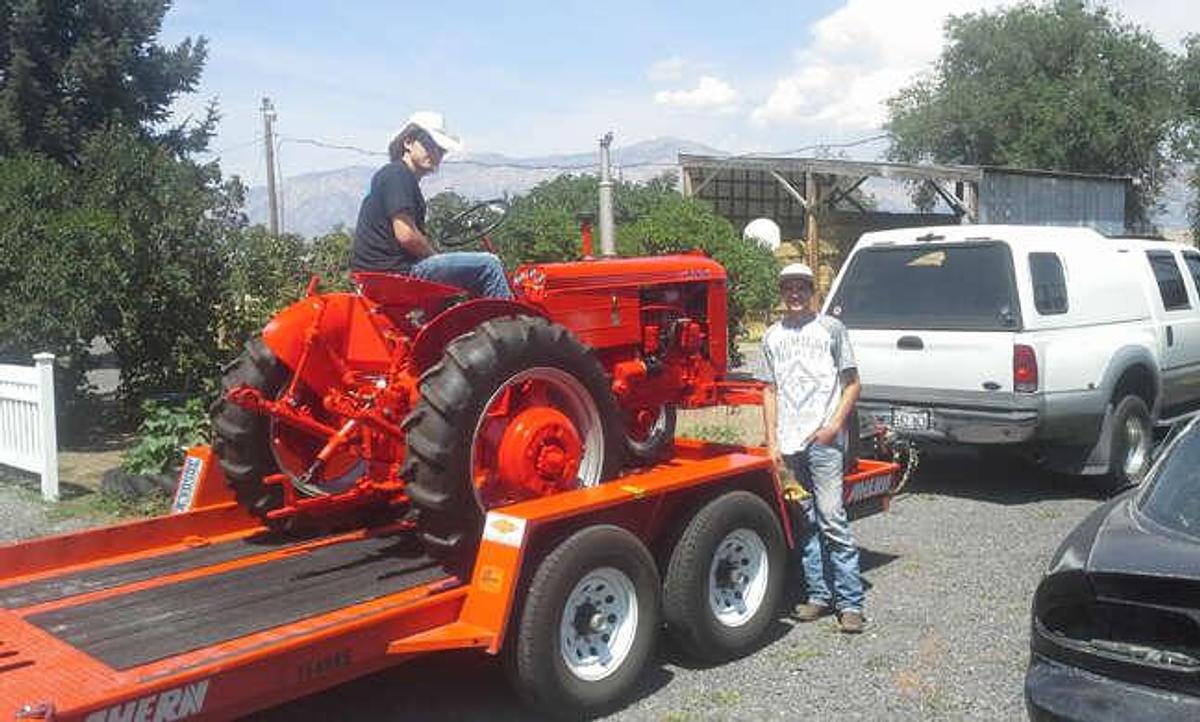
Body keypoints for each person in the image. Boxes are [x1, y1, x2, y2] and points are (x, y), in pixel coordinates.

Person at [759, 261, 866, 633]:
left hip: (824, 441)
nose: (795, 294)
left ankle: (851, 603)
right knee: (805, 522)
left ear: (812, 292)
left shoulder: (831, 330)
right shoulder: (771, 336)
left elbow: (852, 383)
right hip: (789, 444)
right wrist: (772, 441)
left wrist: (833, 426)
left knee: (832, 518)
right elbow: (769, 390)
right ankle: (819, 596)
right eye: (788, 288)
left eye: (801, 288)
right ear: (781, 293)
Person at [351, 111, 511, 298]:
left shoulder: (396, 177)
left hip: (378, 275)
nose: (436, 154)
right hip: (397, 273)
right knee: (490, 265)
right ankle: (511, 320)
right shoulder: (398, 175)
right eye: (429, 145)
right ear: (408, 143)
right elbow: (406, 235)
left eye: (441, 150)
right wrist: (434, 256)